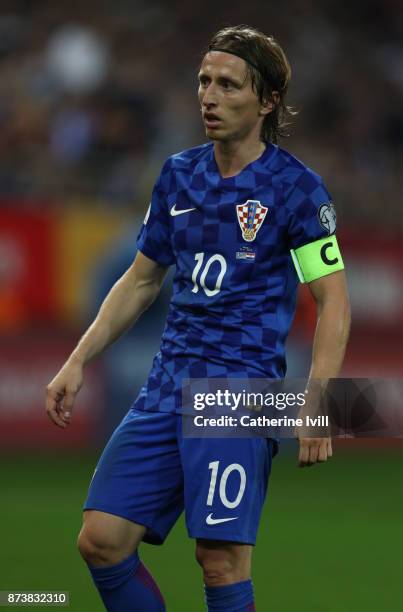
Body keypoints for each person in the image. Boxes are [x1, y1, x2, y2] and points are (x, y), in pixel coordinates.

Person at [46, 25, 351, 612]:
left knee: (220, 562)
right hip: (167, 381)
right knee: (101, 540)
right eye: (204, 81)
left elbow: (333, 300)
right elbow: (140, 279)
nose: (209, 96)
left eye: (228, 85)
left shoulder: (296, 190)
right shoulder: (178, 175)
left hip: (239, 390)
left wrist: (319, 402)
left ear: (266, 101)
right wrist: (77, 360)